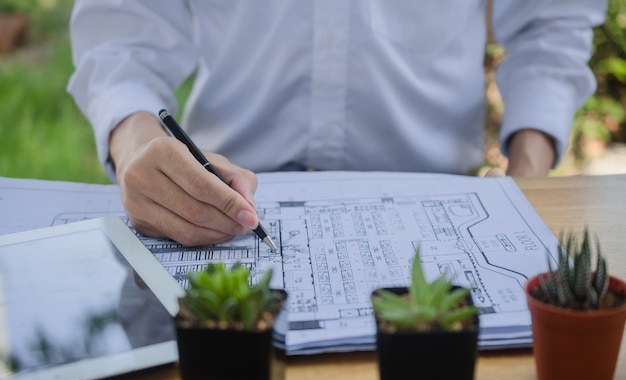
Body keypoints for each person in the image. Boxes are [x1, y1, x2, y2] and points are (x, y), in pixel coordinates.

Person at [68, 1, 607, 247]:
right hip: (217, 204)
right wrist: (138, 143)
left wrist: (525, 175)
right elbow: (123, 34)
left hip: (440, 208)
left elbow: (550, 21)